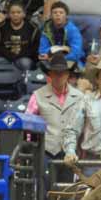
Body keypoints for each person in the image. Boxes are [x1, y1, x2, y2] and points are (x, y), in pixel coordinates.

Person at [26, 53, 84, 183]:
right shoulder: (38, 95)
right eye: (55, 73)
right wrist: (33, 147)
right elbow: (28, 124)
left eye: (62, 73)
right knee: (45, 190)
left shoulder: (79, 96)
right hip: (45, 151)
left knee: (67, 190)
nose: (58, 76)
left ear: (68, 75)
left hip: (71, 152)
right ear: (50, 75)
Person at [0, 0, 41, 71]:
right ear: (8, 14)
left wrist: (20, 55)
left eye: (18, 12)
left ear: (24, 14)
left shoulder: (33, 28)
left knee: (25, 63)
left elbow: (35, 47)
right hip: (4, 57)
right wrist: (8, 55)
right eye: (13, 12)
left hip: (25, 58)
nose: (15, 15)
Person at [39, 1, 84, 68]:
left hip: (69, 59)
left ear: (66, 15)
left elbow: (76, 53)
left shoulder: (73, 30)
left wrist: (56, 57)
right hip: (50, 60)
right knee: (41, 65)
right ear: (51, 15)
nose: (58, 15)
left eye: (61, 12)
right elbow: (42, 51)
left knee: (76, 68)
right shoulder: (46, 29)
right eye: (55, 13)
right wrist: (60, 49)